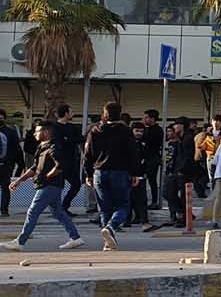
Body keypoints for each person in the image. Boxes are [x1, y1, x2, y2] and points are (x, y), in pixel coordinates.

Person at [1, 122, 85, 251]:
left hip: (50, 186)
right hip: (48, 185)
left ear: (46, 132)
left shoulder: (54, 147)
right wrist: (19, 180)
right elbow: (35, 168)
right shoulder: (42, 147)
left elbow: (60, 166)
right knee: (58, 212)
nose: (35, 134)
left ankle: (20, 241)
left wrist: (47, 177)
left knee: (32, 212)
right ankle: (75, 238)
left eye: (37, 131)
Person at [81, 101, 137, 250]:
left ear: (105, 114)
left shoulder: (95, 130)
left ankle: (108, 241)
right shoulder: (125, 131)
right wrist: (135, 173)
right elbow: (133, 153)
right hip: (120, 171)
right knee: (123, 205)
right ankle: (111, 227)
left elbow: (87, 154)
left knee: (104, 208)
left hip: (99, 172)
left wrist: (88, 174)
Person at [162, 120, 195, 227]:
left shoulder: (186, 139)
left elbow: (187, 156)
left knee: (180, 195)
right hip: (173, 170)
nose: (174, 128)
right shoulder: (179, 139)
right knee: (168, 192)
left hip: (181, 172)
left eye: (175, 126)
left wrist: (181, 170)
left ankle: (184, 217)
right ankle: (180, 214)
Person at [53, 103, 83, 214]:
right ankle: (57, 209)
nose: (72, 114)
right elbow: (57, 142)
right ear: (66, 113)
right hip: (58, 162)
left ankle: (64, 206)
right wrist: (69, 140)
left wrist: (68, 139)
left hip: (71, 161)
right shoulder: (54, 127)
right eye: (71, 112)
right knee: (58, 187)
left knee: (76, 184)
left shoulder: (72, 127)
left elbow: (81, 138)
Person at [140, 109, 164, 209]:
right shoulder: (146, 129)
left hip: (153, 158)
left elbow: (150, 142)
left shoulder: (157, 130)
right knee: (141, 180)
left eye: (146, 118)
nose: (144, 119)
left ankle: (154, 201)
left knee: (152, 180)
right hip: (144, 158)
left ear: (153, 119)